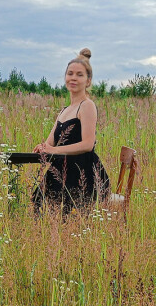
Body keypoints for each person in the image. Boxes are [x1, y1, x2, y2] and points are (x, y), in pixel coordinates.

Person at [32, 48, 111, 214]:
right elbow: (49, 143)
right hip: (62, 169)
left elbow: (88, 144)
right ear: (65, 77)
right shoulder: (65, 110)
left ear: (88, 81)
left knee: (61, 210)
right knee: (38, 200)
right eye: (70, 73)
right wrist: (43, 147)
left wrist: (54, 150)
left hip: (82, 171)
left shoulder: (87, 105)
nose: (73, 78)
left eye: (79, 75)